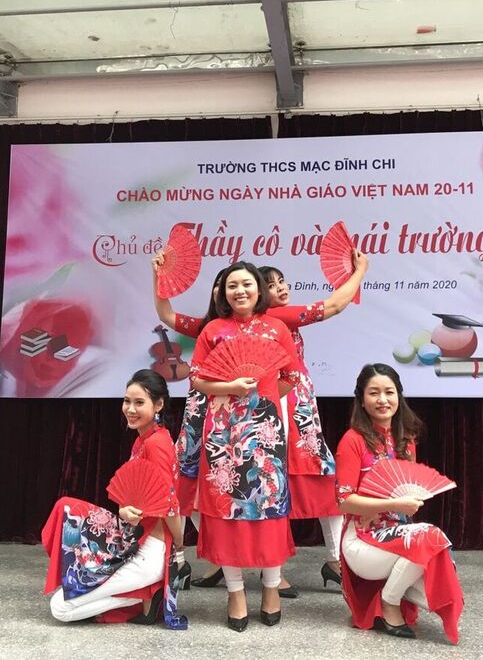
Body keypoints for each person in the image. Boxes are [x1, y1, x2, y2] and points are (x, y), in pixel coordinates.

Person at [190, 261, 301, 631]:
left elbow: (292, 376)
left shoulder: (277, 328)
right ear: (223, 293)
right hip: (223, 434)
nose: (240, 291)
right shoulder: (212, 330)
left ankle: (271, 588)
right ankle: (235, 592)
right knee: (226, 510)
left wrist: (262, 400)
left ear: (259, 290)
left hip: (265, 433)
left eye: (247, 284)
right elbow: (197, 380)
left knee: (269, 508)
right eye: (232, 285)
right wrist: (231, 389)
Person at [258, 253, 369, 595]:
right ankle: (274, 570)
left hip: (300, 407)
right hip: (282, 407)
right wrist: (361, 271)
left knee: (318, 480)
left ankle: (332, 561)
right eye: (271, 285)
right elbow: (333, 306)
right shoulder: (274, 316)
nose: (280, 288)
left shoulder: (279, 318)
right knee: (278, 482)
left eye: (281, 281)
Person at [41, 369, 184, 624]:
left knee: (60, 609)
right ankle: (139, 594)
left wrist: (179, 549)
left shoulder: (156, 444)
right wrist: (124, 510)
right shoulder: (144, 440)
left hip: (150, 553)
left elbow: (170, 506)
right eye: (127, 401)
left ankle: (142, 594)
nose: (130, 409)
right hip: (135, 541)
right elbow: (139, 496)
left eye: (139, 402)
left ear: (159, 405)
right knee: (67, 507)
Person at [334, 363, 463, 643]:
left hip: (396, 534)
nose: (382, 399)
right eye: (374, 393)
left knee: (442, 583)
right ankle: (389, 602)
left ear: (398, 396)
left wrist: (407, 504)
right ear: (362, 400)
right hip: (362, 539)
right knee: (430, 538)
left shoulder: (405, 441)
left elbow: (406, 489)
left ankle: (398, 593)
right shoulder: (352, 441)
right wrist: (387, 504)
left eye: (389, 392)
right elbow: (344, 501)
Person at [151, 257, 229, 587]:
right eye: (220, 285)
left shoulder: (256, 330)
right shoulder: (203, 327)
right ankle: (180, 559)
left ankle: (230, 560)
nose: (224, 291)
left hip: (233, 419)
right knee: (184, 481)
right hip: (199, 413)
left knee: (222, 486)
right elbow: (166, 314)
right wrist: (158, 276)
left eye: (233, 285)